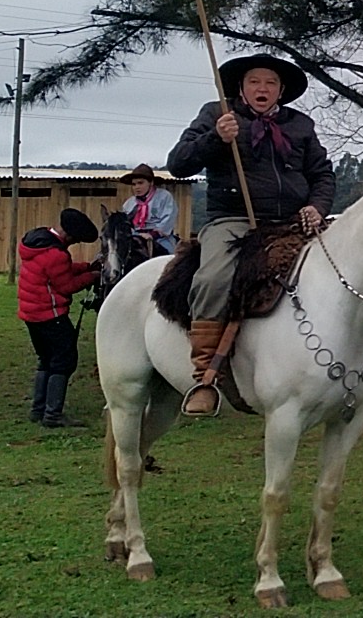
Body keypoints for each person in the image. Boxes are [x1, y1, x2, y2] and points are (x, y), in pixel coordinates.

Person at [167, 53, 335, 415]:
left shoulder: (301, 125)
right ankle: (205, 378)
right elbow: (178, 163)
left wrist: (316, 207)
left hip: (292, 221)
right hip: (234, 220)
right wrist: (215, 137)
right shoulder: (216, 114)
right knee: (213, 279)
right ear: (241, 88)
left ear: (281, 90)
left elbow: (322, 174)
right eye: (254, 81)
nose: (263, 88)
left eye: (270, 82)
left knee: (343, 270)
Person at [16, 207, 100, 427]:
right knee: (63, 361)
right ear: (70, 236)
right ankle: (53, 414)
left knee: (46, 359)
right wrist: (92, 276)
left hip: (31, 314)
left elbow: (59, 271)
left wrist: (85, 267)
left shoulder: (40, 242)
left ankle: (38, 409)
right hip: (50, 315)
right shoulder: (56, 254)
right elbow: (66, 286)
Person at [119, 163, 178, 257]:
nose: (136, 187)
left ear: (151, 183)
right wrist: (135, 234)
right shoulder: (129, 204)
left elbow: (168, 218)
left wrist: (153, 234)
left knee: (171, 258)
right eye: (134, 184)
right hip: (135, 236)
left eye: (140, 183)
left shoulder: (164, 197)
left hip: (160, 238)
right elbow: (125, 224)